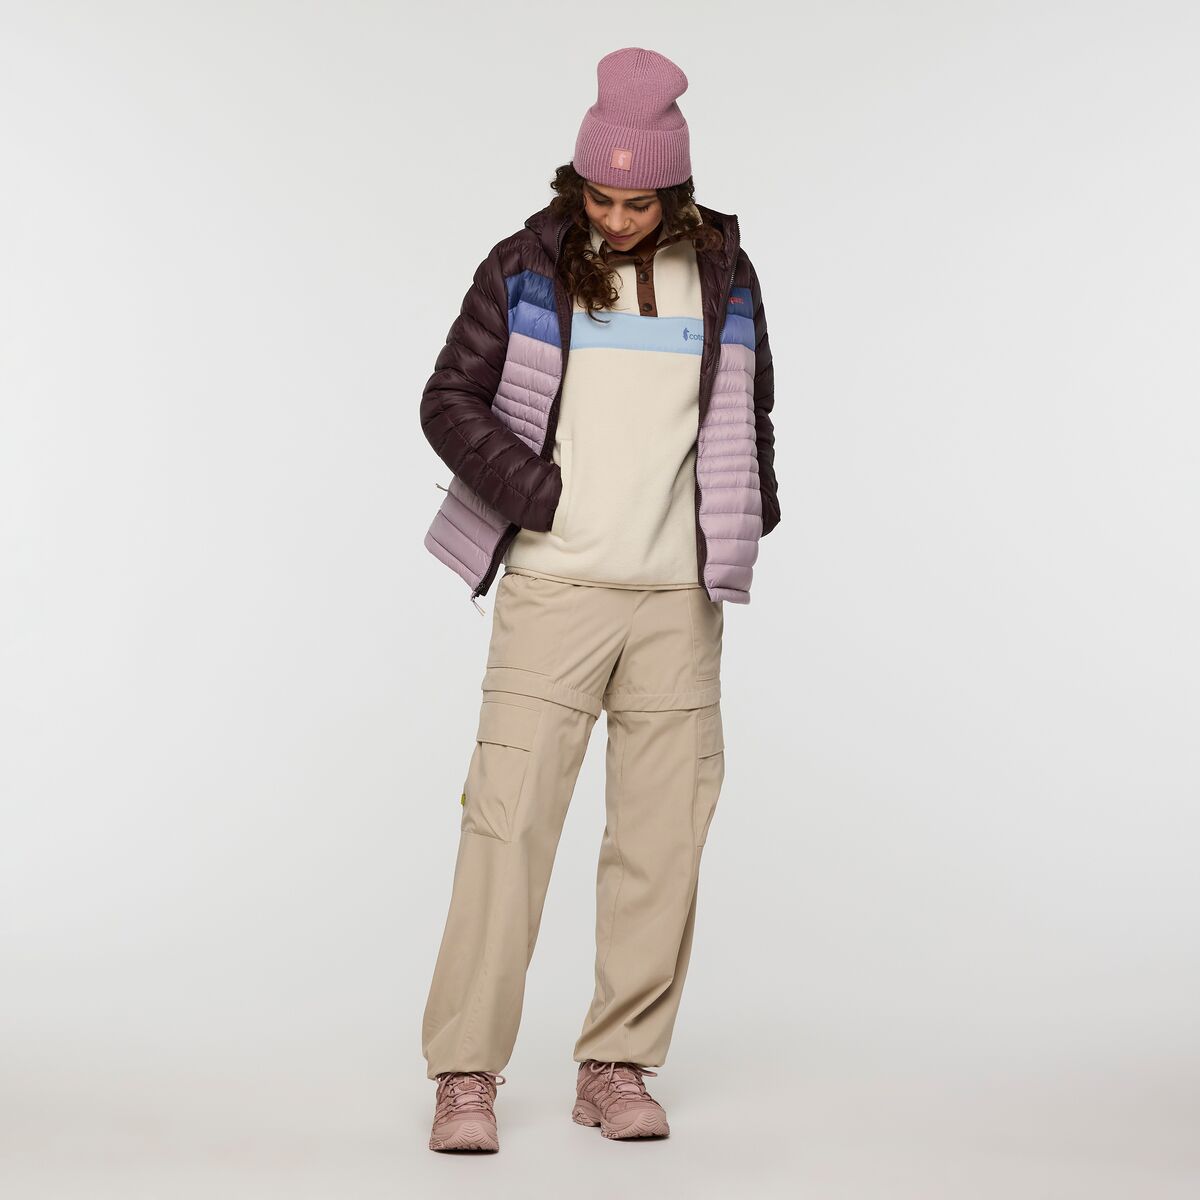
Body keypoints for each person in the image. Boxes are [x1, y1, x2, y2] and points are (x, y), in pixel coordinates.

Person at [417, 46, 781, 1152]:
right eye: (599, 197)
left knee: (661, 843)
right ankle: (466, 1075)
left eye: (639, 202)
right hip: (555, 590)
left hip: (677, 599)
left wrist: (747, 509)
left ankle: (615, 1065)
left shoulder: (726, 274)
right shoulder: (525, 265)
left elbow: (751, 408)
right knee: (507, 828)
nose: (616, 220)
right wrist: (540, 496)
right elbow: (448, 400)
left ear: (675, 192)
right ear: (575, 181)